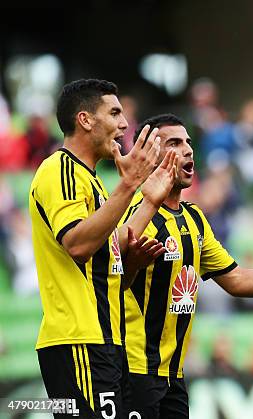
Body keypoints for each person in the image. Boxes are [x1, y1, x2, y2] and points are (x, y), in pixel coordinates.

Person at [120, 113, 253, 419]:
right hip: (133, 368)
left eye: (189, 143)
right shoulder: (131, 214)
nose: (188, 150)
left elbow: (235, 278)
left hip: (172, 373)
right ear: (150, 154)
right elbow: (106, 279)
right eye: (175, 143)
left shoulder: (194, 218)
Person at [29, 79, 177, 418]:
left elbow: (108, 245)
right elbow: (78, 244)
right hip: (78, 340)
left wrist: (149, 202)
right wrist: (129, 185)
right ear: (85, 120)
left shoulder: (93, 180)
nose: (125, 124)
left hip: (107, 340)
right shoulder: (60, 170)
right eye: (114, 113)